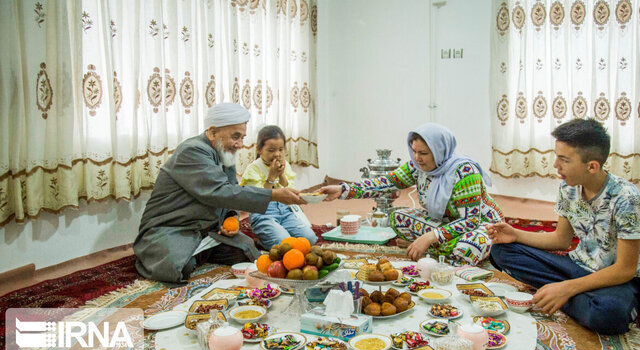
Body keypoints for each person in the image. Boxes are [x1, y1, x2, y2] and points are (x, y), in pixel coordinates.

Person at [487, 118, 640, 335]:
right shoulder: (568, 187)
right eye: (557, 157)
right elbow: (561, 240)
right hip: (577, 267)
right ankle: (570, 296)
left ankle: (560, 293)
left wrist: (567, 288)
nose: (556, 165)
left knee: (608, 314)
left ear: (592, 166)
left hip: (617, 280)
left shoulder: (627, 199)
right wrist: (515, 234)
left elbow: (625, 269)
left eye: (564, 159)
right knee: (501, 251)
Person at [133, 103, 305, 284]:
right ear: (213, 132)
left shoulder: (224, 152)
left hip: (208, 229)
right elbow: (220, 192)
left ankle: (199, 250)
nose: (240, 144)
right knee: (176, 267)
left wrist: (231, 217)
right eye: (235, 137)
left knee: (246, 251)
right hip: (173, 227)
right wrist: (274, 195)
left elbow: (232, 189)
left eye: (242, 137)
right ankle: (179, 252)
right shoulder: (192, 151)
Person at [319, 123, 503, 264]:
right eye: (414, 151)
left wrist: (430, 237)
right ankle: (438, 249)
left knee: (468, 248)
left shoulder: (464, 171)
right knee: (397, 217)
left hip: (481, 226)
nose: (416, 158)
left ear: (439, 151)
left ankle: (434, 250)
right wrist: (343, 190)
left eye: (423, 153)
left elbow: (470, 221)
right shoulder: (418, 167)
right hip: (446, 224)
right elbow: (386, 182)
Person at [240, 125, 318, 249]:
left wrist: (281, 174)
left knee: (310, 239)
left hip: (285, 211)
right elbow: (259, 198)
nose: (277, 154)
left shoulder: (285, 164)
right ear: (259, 150)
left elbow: (287, 186)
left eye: (280, 150)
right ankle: (263, 239)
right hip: (264, 213)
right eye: (271, 150)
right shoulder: (253, 169)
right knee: (285, 245)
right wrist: (271, 177)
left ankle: (275, 233)